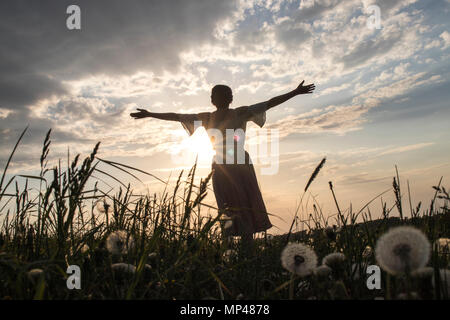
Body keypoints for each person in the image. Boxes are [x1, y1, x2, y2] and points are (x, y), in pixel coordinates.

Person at [130, 81, 315, 243]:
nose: (221, 98)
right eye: (218, 95)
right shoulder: (208, 117)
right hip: (221, 165)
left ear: (229, 98)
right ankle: (230, 250)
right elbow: (177, 116)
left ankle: (245, 247)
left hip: (238, 164)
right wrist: (150, 114)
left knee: (244, 202)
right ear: (213, 99)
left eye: (224, 95)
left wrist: (294, 92)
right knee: (225, 206)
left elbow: (269, 103)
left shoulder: (239, 113)